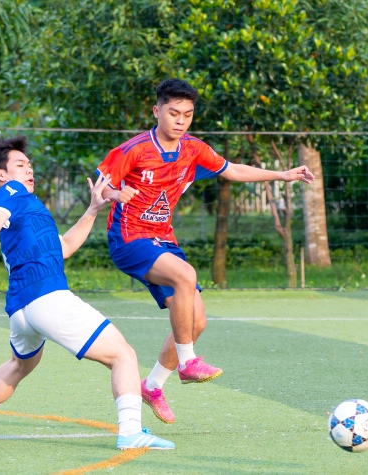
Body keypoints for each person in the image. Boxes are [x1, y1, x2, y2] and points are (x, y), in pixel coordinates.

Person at [96, 79, 315, 424]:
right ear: (157, 111)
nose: (180, 120)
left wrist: (281, 175)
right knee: (186, 276)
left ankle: (152, 385)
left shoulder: (194, 148)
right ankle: (188, 363)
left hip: (163, 240)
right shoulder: (135, 149)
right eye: (173, 113)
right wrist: (113, 194)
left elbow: (233, 170)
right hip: (129, 238)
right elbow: (102, 182)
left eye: (187, 114)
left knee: (196, 321)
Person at [0, 135, 174, 450]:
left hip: (21, 310)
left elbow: (65, 246)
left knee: (20, 364)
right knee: (123, 355)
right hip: (47, 299)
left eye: (29, 165)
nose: (29, 170)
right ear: (1, 175)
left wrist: (93, 209)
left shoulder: (27, 210)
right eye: (20, 165)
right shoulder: (12, 193)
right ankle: (130, 433)